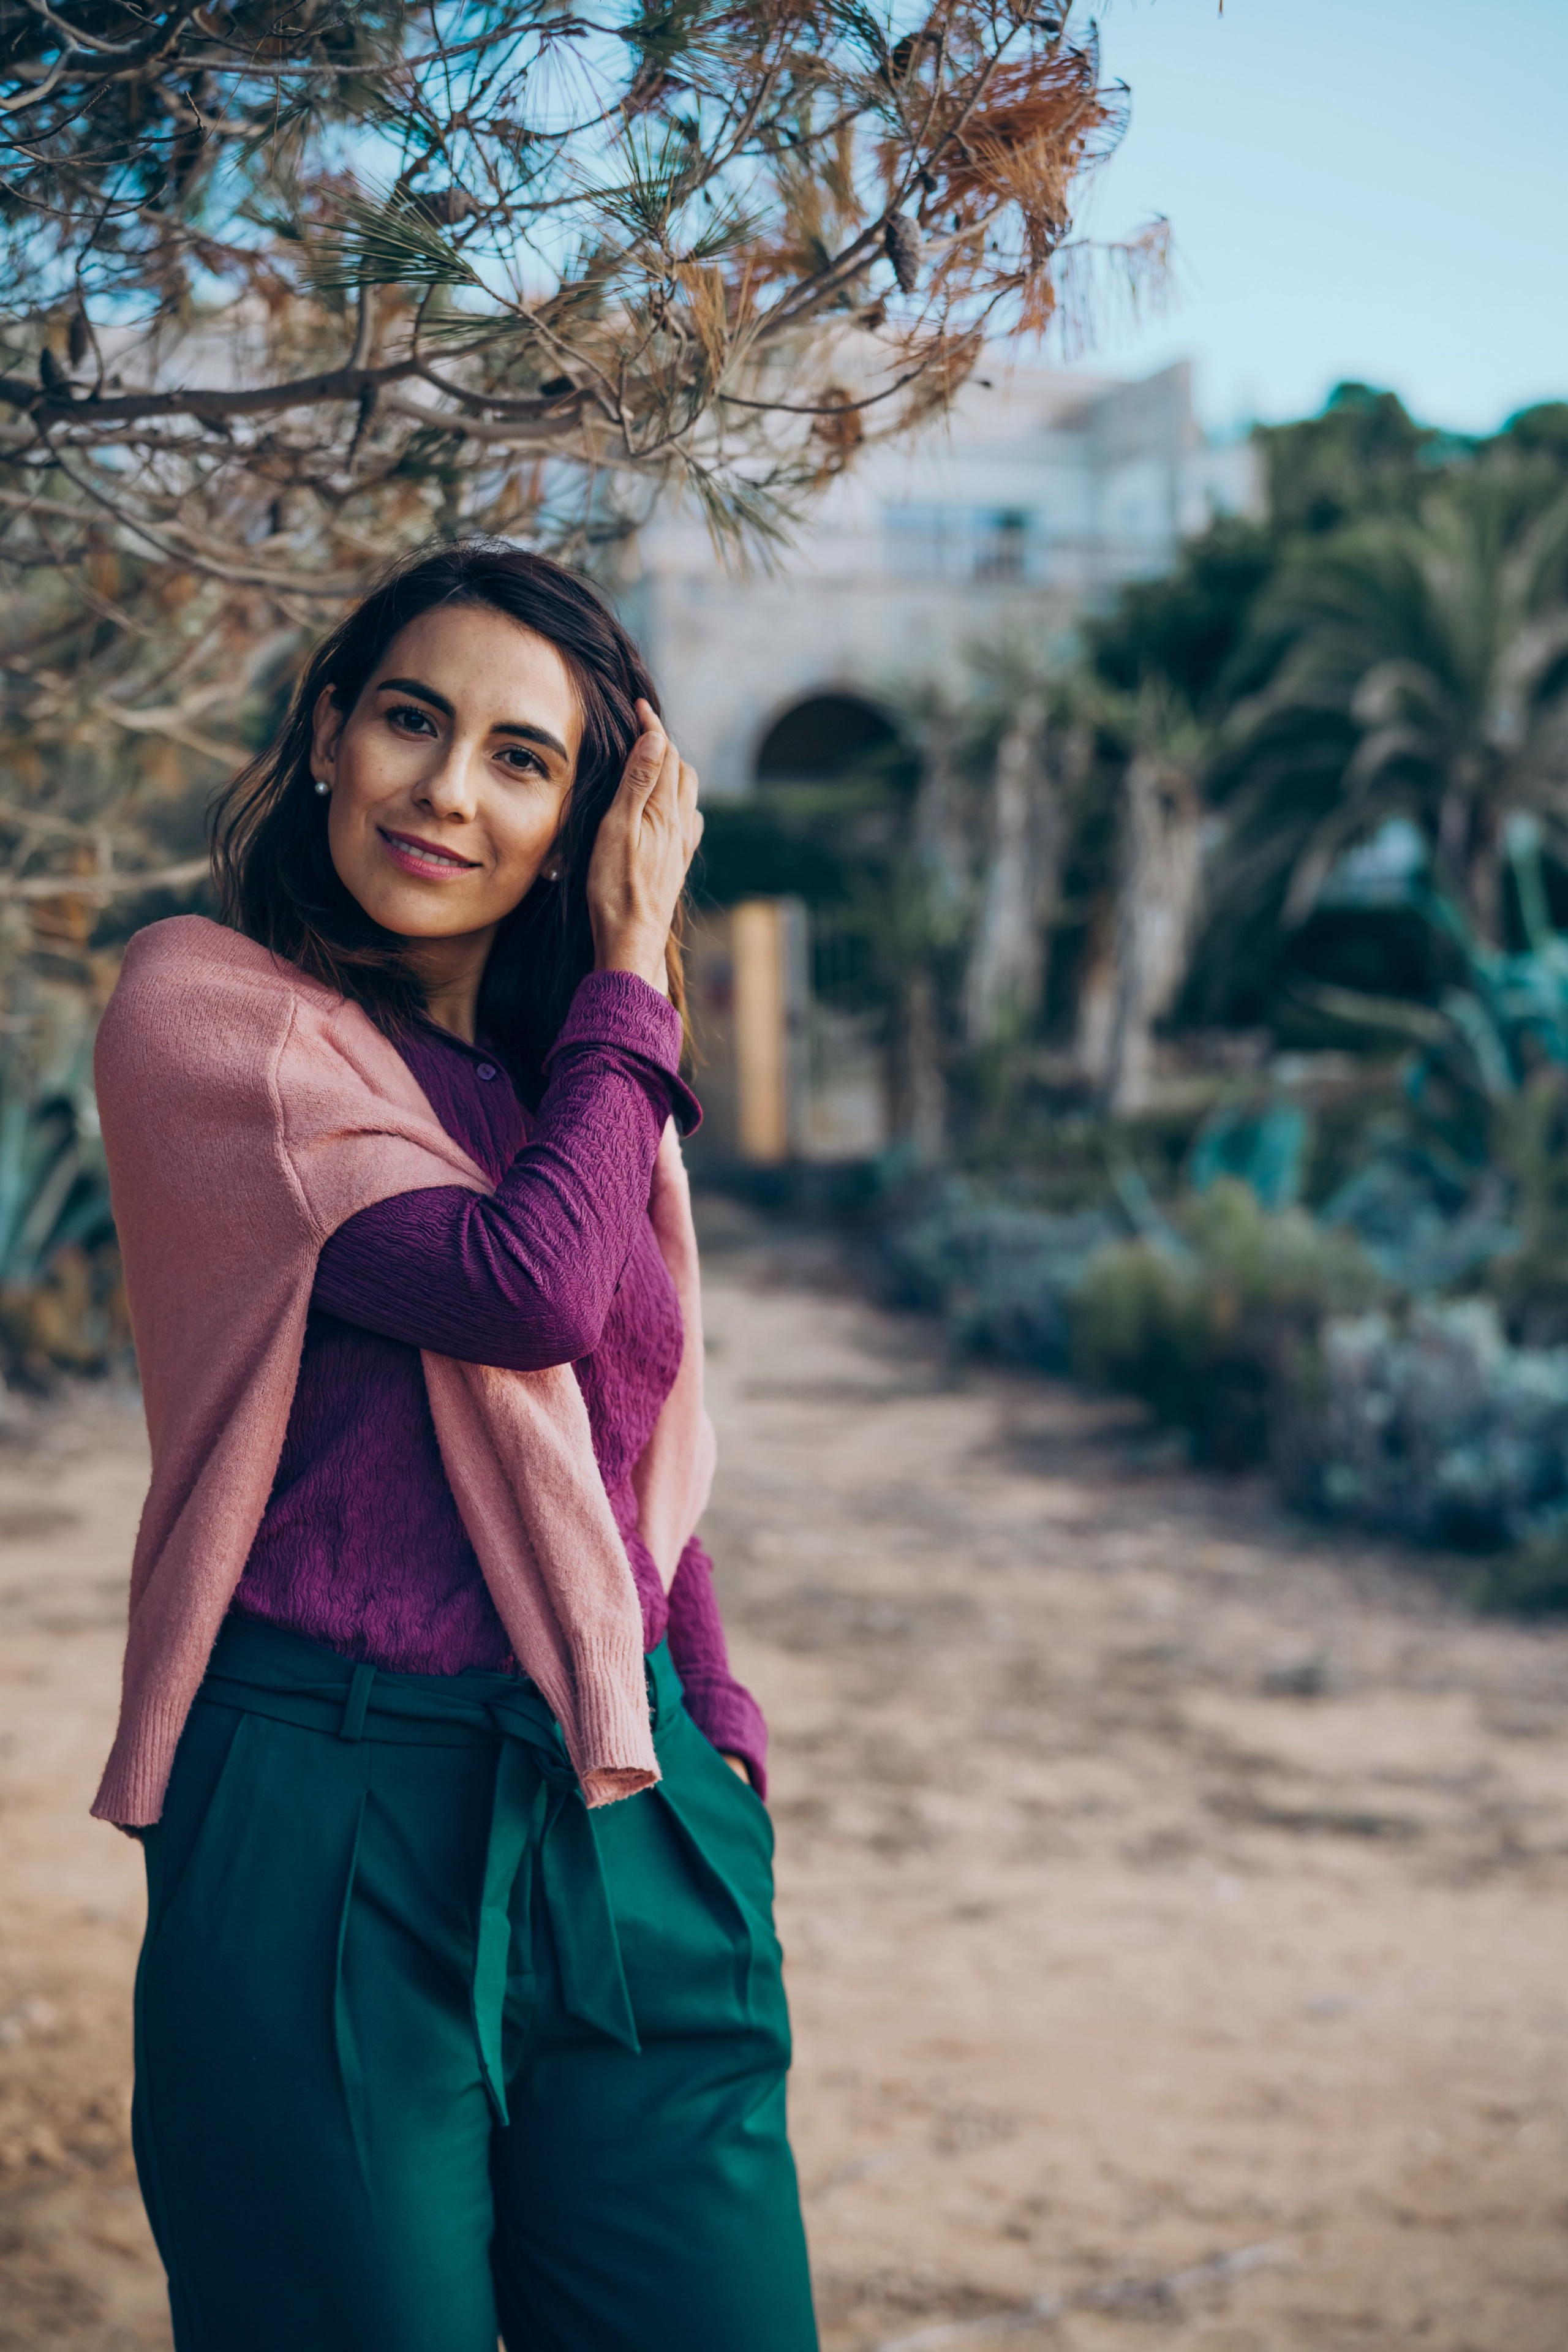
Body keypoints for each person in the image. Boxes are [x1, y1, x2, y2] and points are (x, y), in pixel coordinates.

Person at [90, 540, 819, 2352]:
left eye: (523, 757)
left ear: (583, 816)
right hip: (327, 1824)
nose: (447, 790)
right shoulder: (215, 1017)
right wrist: (639, 971)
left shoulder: (565, 1076)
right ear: (329, 731)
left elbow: (636, 1446)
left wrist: (715, 1744)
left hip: (631, 1822)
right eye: (413, 720)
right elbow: (527, 1293)